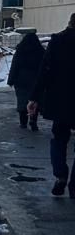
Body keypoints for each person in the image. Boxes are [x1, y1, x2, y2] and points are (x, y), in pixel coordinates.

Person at [30, 13, 75, 197]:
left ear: (70, 23)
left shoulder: (57, 41)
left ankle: (60, 175)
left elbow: (44, 71)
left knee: (59, 139)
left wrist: (34, 98)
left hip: (60, 100)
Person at [8, 32, 44, 131]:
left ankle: (23, 122)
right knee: (34, 100)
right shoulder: (40, 51)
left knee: (22, 101)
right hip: (36, 80)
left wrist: (11, 80)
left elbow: (15, 65)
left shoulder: (20, 50)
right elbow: (44, 66)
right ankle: (33, 121)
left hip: (21, 80)